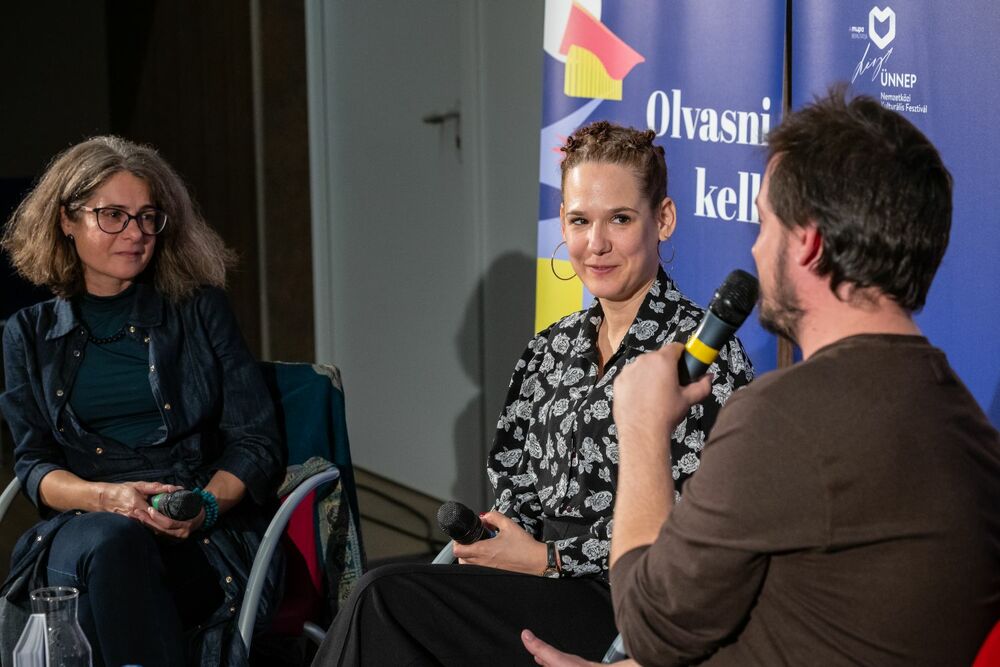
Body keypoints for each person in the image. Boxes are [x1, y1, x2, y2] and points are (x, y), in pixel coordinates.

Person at [523, 88, 1000, 666]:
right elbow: (819, 628)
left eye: (764, 222)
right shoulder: (971, 430)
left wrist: (643, 425)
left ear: (809, 243)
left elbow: (650, 626)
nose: (754, 245)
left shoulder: (782, 418)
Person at [310, 121, 753, 665]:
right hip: (533, 582)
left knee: (384, 602)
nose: (597, 244)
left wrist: (552, 558)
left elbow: (701, 521)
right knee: (381, 597)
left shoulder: (699, 354)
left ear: (662, 219)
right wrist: (498, 543)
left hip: (628, 603)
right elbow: (513, 482)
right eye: (579, 221)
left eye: (620, 218)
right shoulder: (550, 348)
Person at [0, 136, 285, 667]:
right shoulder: (26, 334)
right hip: (89, 523)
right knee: (110, 543)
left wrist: (201, 507)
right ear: (67, 219)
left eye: (148, 217)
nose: (135, 233)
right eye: (113, 215)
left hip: (197, 531)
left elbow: (256, 441)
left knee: (110, 571)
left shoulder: (200, 311)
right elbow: (35, 465)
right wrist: (107, 498)